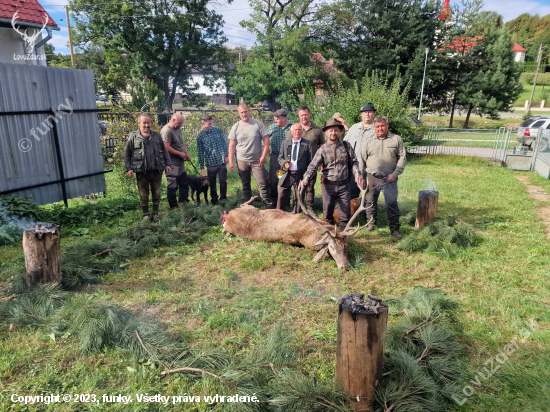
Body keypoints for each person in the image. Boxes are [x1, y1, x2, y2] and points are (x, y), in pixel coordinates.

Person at [301, 118, 364, 231]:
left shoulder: (346, 146)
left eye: (336, 130)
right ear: (326, 132)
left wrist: (357, 174)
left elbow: (354, 162)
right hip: (328, 187)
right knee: (327, 216)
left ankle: (343, 239)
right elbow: (313, 166)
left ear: (339, 131)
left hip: (344, 186)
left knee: (345, 216)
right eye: (331, 130)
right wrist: (306, 178)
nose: (333, 133)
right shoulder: (322, 149)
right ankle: (328, 238)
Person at [358, 115, 406, 239]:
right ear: (374, 127)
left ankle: (395, 229)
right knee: (370, 202)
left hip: (390, 178)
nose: (380, 129)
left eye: (382, 126)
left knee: (392, 204)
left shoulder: (396, 139)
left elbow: (402, 158)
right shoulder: (368, 141)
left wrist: (395, 174)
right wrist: (361, 176)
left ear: (387, 126)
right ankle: (370, 224)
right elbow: (361, 160)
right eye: (377, 127)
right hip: (372, 178)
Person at [124, 113, 172, 222]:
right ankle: (145, 214)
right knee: (143, 194)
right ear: (139, 123)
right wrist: (129, 168)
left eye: (148, 122)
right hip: (142, 172)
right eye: (144, 123)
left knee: (157, 193)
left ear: (151, 123)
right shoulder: (133, 137)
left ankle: (155, 213)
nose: (146, 125)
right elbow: (127, 154)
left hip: (156, 170)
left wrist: (168, 164)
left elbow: (164, 151)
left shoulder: (157, 136)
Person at [228, 103, 275, 208]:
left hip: (257, 160)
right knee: (245, 184)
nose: (244, 114)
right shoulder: (236, 127)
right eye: (241, 112)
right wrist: (231, 162)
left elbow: (266, 141)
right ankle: (247, 206)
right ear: (239, 114)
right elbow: (231, 145)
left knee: (262, 183)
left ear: (249, 112)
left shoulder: (257, 124)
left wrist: (263, 157)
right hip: (241, 160)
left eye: (245, 111)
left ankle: (268, 206)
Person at [287, 106, 324, 213]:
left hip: (312, 163)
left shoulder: (317, 130)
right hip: (297, 164)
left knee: (310, 186)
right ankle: (297, 206)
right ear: (299, 116)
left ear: (309, 114)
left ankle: (310, 208)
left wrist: (322, 162)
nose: (304, 117)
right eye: (302, 115)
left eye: (306, 114)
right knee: (297, 185)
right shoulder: (294, 129)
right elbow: (288, 145)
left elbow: (322, 146)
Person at [343, 103, 377, 198]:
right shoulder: (354, 128)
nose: (367, 114)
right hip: (354, 168)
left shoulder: (377, 129)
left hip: (369, 168)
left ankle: (367, 211)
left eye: (369, 112)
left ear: (373, 114)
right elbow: (344, 144)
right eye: (364, 112)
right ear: (361, 114)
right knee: (351, 193)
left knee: (368, 194)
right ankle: (354, 211)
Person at [276, 123, 313, 213]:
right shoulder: (285, 143)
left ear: (302, 131)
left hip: (300, 174)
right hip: (287, 173)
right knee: (282, 194)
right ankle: (278, 213)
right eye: (295, 130)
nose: (297, 131)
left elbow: (310, 161)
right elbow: (280, 158)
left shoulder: (307, 144)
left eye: (299, 129)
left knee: (298, 196)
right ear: (291, 132)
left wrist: (306, 176)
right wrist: (284, 164)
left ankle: (296, 214)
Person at [196, 114, 229, 205]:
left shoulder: (217, 130)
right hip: (210, 163)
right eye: (209, 124)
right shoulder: (200, 136)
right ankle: (214, 200)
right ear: (203, 123)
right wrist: (202, 167)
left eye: (211, 123)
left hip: (221, 161)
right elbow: (200, 153)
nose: (211, 125)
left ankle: (223, 198)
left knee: (223, 181)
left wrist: (226, 156)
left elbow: (224, 143)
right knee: (212, 183)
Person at [161, 112, 190, 209]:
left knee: (184, 182)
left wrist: (186, 153)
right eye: (180, 123)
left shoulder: (177, 129)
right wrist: (180, 153)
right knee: (172, 185)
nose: (181, 125)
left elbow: (182, 142)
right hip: (172, 162)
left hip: (180, 161)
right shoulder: (166, 131)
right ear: (173, 120)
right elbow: (166, 147)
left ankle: (184, 201)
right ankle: (173, 206)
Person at [268, 109, 293, 200]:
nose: (275, 121)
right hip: (275, 156)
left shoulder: (292, 127)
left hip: (287, 157)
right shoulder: (272, 128)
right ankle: (274, 201)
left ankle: (284, 202)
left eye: (277, 119)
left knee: (285, 179)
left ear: (283, 118)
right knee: (273, 179)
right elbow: (266, 139)